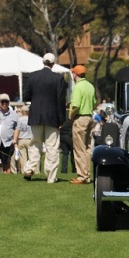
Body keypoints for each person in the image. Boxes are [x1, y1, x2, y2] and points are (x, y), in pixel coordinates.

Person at [23, 53, 68, 184]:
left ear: (43, 62)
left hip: (36, 115)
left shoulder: (32, 76)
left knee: (35, 144)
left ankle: (29, 168)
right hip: (52, 117)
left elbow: (26, 96)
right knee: (52, 147)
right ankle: (51, 177)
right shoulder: (58, 78)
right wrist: (61, 119)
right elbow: (61, 101)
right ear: (53, 64)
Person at [68, 65, 97, 184]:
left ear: (75, 74)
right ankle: (87, 175)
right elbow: (94, 102)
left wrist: (71, 116)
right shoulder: (90, 86)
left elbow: (75, 105)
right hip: (90, 117)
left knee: (79, 148)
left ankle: (82, 176)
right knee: (87, 148)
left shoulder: (78, 87)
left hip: (80, 118)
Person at [0, 93, 18, 174]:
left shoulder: (14, 114)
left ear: (9, 102)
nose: (4, 103)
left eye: (6, 102)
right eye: (2, 101)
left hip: (7, 143)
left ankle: (7, 178)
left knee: (7, 164)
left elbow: (17, 128)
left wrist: (15, 140)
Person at [13, 105, 37, 178]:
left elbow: (17, 130)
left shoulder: (19, 119)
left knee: (23, 158)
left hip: (22, 140)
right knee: (32, 156)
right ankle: (35, 171)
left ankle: (24, 171)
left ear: (22, 112)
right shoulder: (32, 118)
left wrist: (15, 140)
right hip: (30, 139)